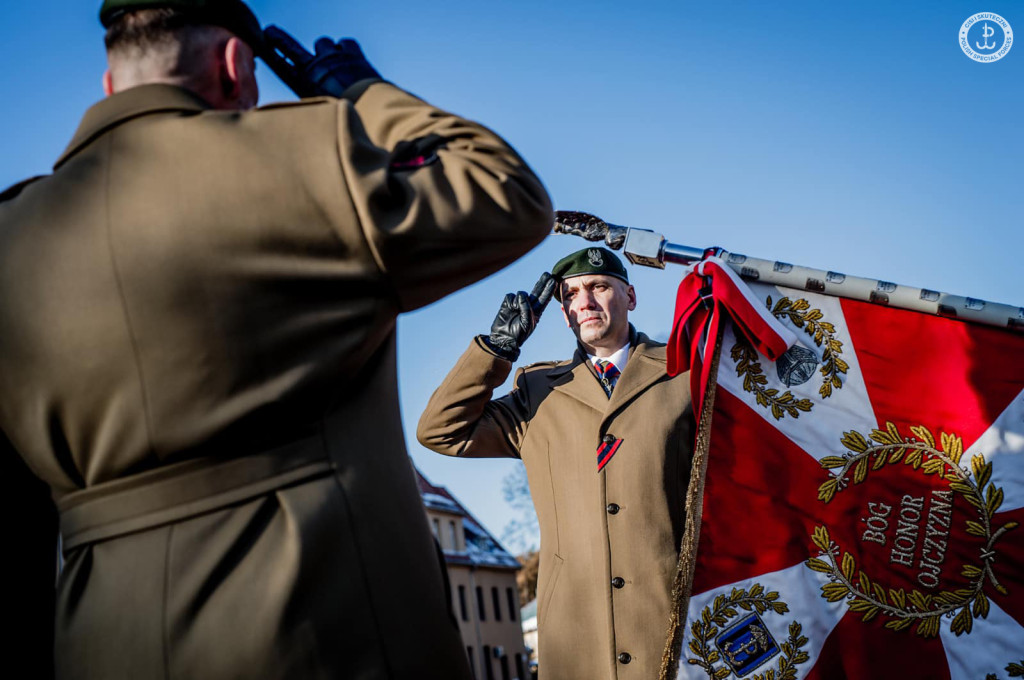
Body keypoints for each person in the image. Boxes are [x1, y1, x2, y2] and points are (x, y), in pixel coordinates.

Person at [0, 1, 552, 677]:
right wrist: (360, 94)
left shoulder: (13, 236)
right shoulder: (305, 162)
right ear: (236, 68)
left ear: (110, 83)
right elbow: (506, 193)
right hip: (324, 634)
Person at [418, 247, 695, 680]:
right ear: (563, 313)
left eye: (599, 287)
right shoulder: (536, 392)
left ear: (630, 296)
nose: (584, 302)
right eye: (571, 295)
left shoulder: (685, 372)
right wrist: (496, 349)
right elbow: (440, 430)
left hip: (675, 624)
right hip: (576, 641)